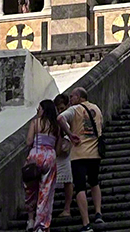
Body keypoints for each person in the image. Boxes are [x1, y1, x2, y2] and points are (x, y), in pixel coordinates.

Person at [63, 84, 106, 229]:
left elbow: (59, 118)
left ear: (80, 97)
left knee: (80, 187)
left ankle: (86, 222)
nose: (70, 99)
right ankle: (98, 213)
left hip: (79, 154)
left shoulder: (74, 109)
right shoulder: (97, 109)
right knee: (94, 182)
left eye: (72, 96)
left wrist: (69, 134)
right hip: (95, 154)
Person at [19, 99, 65, 231]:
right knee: (46, 191)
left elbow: (28, 142)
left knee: (30, 189)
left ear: (43, 110)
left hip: (36, 155)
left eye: (38, 109)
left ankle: (30, 219)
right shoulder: (56, 126)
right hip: (49, 156)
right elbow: (58, 149)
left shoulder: (35, 122)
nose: (37, 111)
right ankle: (42, 225)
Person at [54, 94, 75, 223]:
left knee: (68, 180)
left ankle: (67, 208)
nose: (61, 111)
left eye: (62, 108)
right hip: (58, 153)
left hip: (66, 153)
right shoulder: (59, 119)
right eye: (58, 109)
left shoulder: (70, 116)